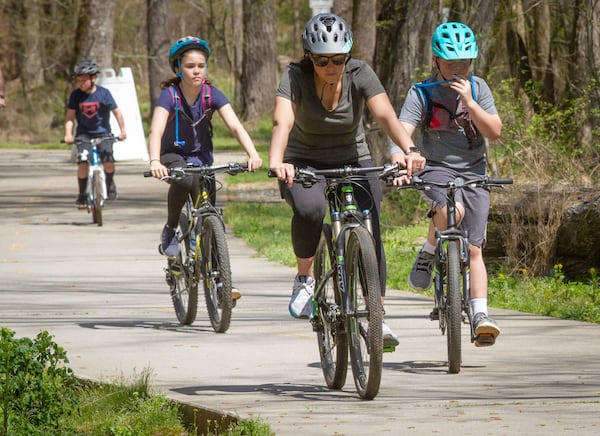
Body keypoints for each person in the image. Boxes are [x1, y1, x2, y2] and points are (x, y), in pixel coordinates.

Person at [269, 13, 425, 348]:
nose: (330, 66)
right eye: (322, 60)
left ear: (347, 57)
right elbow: (282, 120)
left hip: (353, 158)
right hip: (303, 162)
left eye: (338, 59)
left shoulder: (360, 73)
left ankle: (377, 317)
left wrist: (409, 148)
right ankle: (304, 278)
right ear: (310, 57)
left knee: (372, 223)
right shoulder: (295, 76)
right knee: (310, 211)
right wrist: (277, 161)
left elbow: (384, 113)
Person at [392, 22, 503, 346]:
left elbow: (494, 131)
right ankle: (429, 249)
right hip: (435, 168)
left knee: (473, 248)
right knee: (448, 210)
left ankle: (480, 314)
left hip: (474, 171)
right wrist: (401, 157)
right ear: (435, 60)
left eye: (464, 62)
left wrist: (470, 103)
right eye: (451, 62)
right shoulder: (421, 92)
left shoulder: (478, 88)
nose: (458, 69)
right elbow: (401, 132)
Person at [148, 36, 262, 263]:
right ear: (178, 68)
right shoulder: (170, 95)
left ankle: (220, 283)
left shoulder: (212, 94)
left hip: (202, 158)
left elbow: (235, 126)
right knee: (184, 179)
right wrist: (154, 161)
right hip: (173, 155)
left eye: (201, 66)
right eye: (190, 66)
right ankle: (171, 227)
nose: (196, 71)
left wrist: (253, 154)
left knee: (210, 216)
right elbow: (156, 130)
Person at [64, 60, 127, 206]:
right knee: (83, 163)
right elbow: (70, 116)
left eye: (84, 80)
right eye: (78, 80)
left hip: (103, 133)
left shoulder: (103, 93)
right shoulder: (76, 95)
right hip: (83, 135)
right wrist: (68, 134)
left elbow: (117, 112)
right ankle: (82, 194)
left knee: (108, 162)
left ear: (94, 78)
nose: (81, 83)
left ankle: (110, 183)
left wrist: (123, 131)